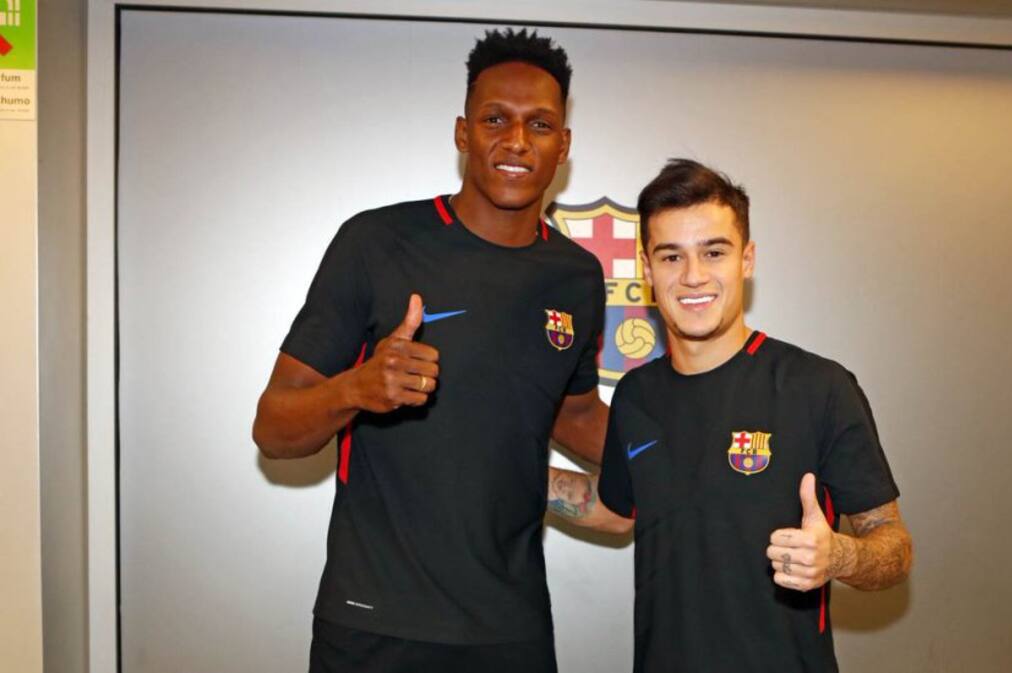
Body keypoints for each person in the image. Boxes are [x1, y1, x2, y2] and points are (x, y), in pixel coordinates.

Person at [252, 28, 608, 673]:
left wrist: (683, 455)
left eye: (539, 124)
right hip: (374, 622)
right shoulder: (375, 242)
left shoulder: (577, 276)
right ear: (463, 133)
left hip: (511, 626)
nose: (517, 141)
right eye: (495, 119)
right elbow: (273, 429)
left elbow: (576, 414)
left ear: (563, 145)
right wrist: (357, 388)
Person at [546, 159, 913, 673]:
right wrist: (511, 472)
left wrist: (840, 557)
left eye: (713, 252)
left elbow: (894, 547)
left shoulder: (818, 387)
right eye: (671, 256)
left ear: (747, 259)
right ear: (647, 271)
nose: (693, 276)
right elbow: (617, 508)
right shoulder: (635, 396)